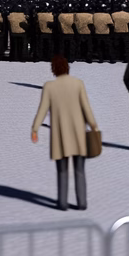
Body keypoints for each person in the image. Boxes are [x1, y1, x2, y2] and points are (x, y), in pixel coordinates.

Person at [32, 55, 99, 209]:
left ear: (53, 69)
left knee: (62, 171)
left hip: (60, 135)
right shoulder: (78, 84)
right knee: (79, 169)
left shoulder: (49, 86)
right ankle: (82, 202)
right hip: (78, 133)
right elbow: (86, 107)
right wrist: (93, 125)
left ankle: (62, 202)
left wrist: (35, 128)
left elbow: (42, 110)